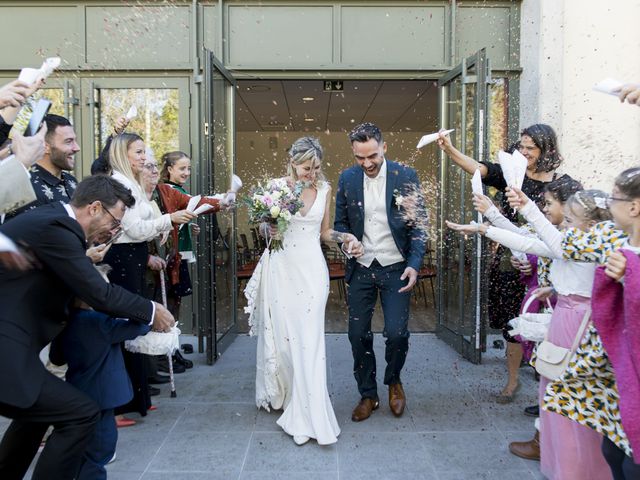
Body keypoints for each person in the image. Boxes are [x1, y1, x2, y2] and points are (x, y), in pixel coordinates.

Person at [0, 175, 175, 480]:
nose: (115, 230)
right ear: (95, 208)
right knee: (80, 413)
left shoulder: (53, 222)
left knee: (38, 416)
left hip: (14, 348)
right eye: (115, 220)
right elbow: (100, 293)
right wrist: (151, 310)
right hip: (6, 347)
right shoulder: (59, 228)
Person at [438, 124, 568, 403]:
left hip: (548, 266)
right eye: (521, 146)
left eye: (530, 147)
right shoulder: (511, 175)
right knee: (512, 319)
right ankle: (512, 381)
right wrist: (449, 149)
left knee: (546, 322)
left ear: (546, 150)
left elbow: (562, 234)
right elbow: (477, 168)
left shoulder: (563, 184)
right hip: (511, 258)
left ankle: (546, 381)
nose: (523, 152)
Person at [248, 136, 359, 445]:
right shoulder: (276, 187)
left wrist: (344, 236)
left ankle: (309, 415)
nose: (312, 173)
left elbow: (325, 232)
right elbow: (263, 226)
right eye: (307, 168)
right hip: (282, 269)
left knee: (309, 340)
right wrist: (266, 228)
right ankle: (287, 393)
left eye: (317, 167)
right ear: (293, 163)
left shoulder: (324, 189)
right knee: (285, 340)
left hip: (312, 271)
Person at [334, 122, 426, 422]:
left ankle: (394, 381)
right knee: (357, 334)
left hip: (396, 268)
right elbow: (341, 226)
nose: (367, 163)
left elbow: (418, 227)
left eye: (372, 156)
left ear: (383, 147)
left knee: (397, 334)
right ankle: (368, 394)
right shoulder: (347, 178)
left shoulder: (405, 175)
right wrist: (348, 244)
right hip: (361, 269)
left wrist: (413, 264)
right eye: (360, 158)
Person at [103, 133, 195, 425]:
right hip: (122, 260)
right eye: (138, 152)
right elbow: (133, 228)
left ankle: (137, 397)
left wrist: (162, 227)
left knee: (136, 327)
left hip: (134, 258)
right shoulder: (119, 184)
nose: (144, 158)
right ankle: (118, 404)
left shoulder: (131, 183)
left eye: (145, 152)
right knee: (125, 327)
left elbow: (144, 226)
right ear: (122, 154)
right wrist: (169, 220)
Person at [49, 290, 151, 480]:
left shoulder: (66, 321)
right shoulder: (99, 322)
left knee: (86, 446)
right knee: (100, 451)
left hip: (79, 391)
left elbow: (56, 358)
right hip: (103, 396)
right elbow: (140, 327)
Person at [4, 114, 80, 221]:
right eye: (68, 141)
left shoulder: (71, 181)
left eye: (75, 141)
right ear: (46, 146)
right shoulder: (25, 186)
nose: (77, 148)